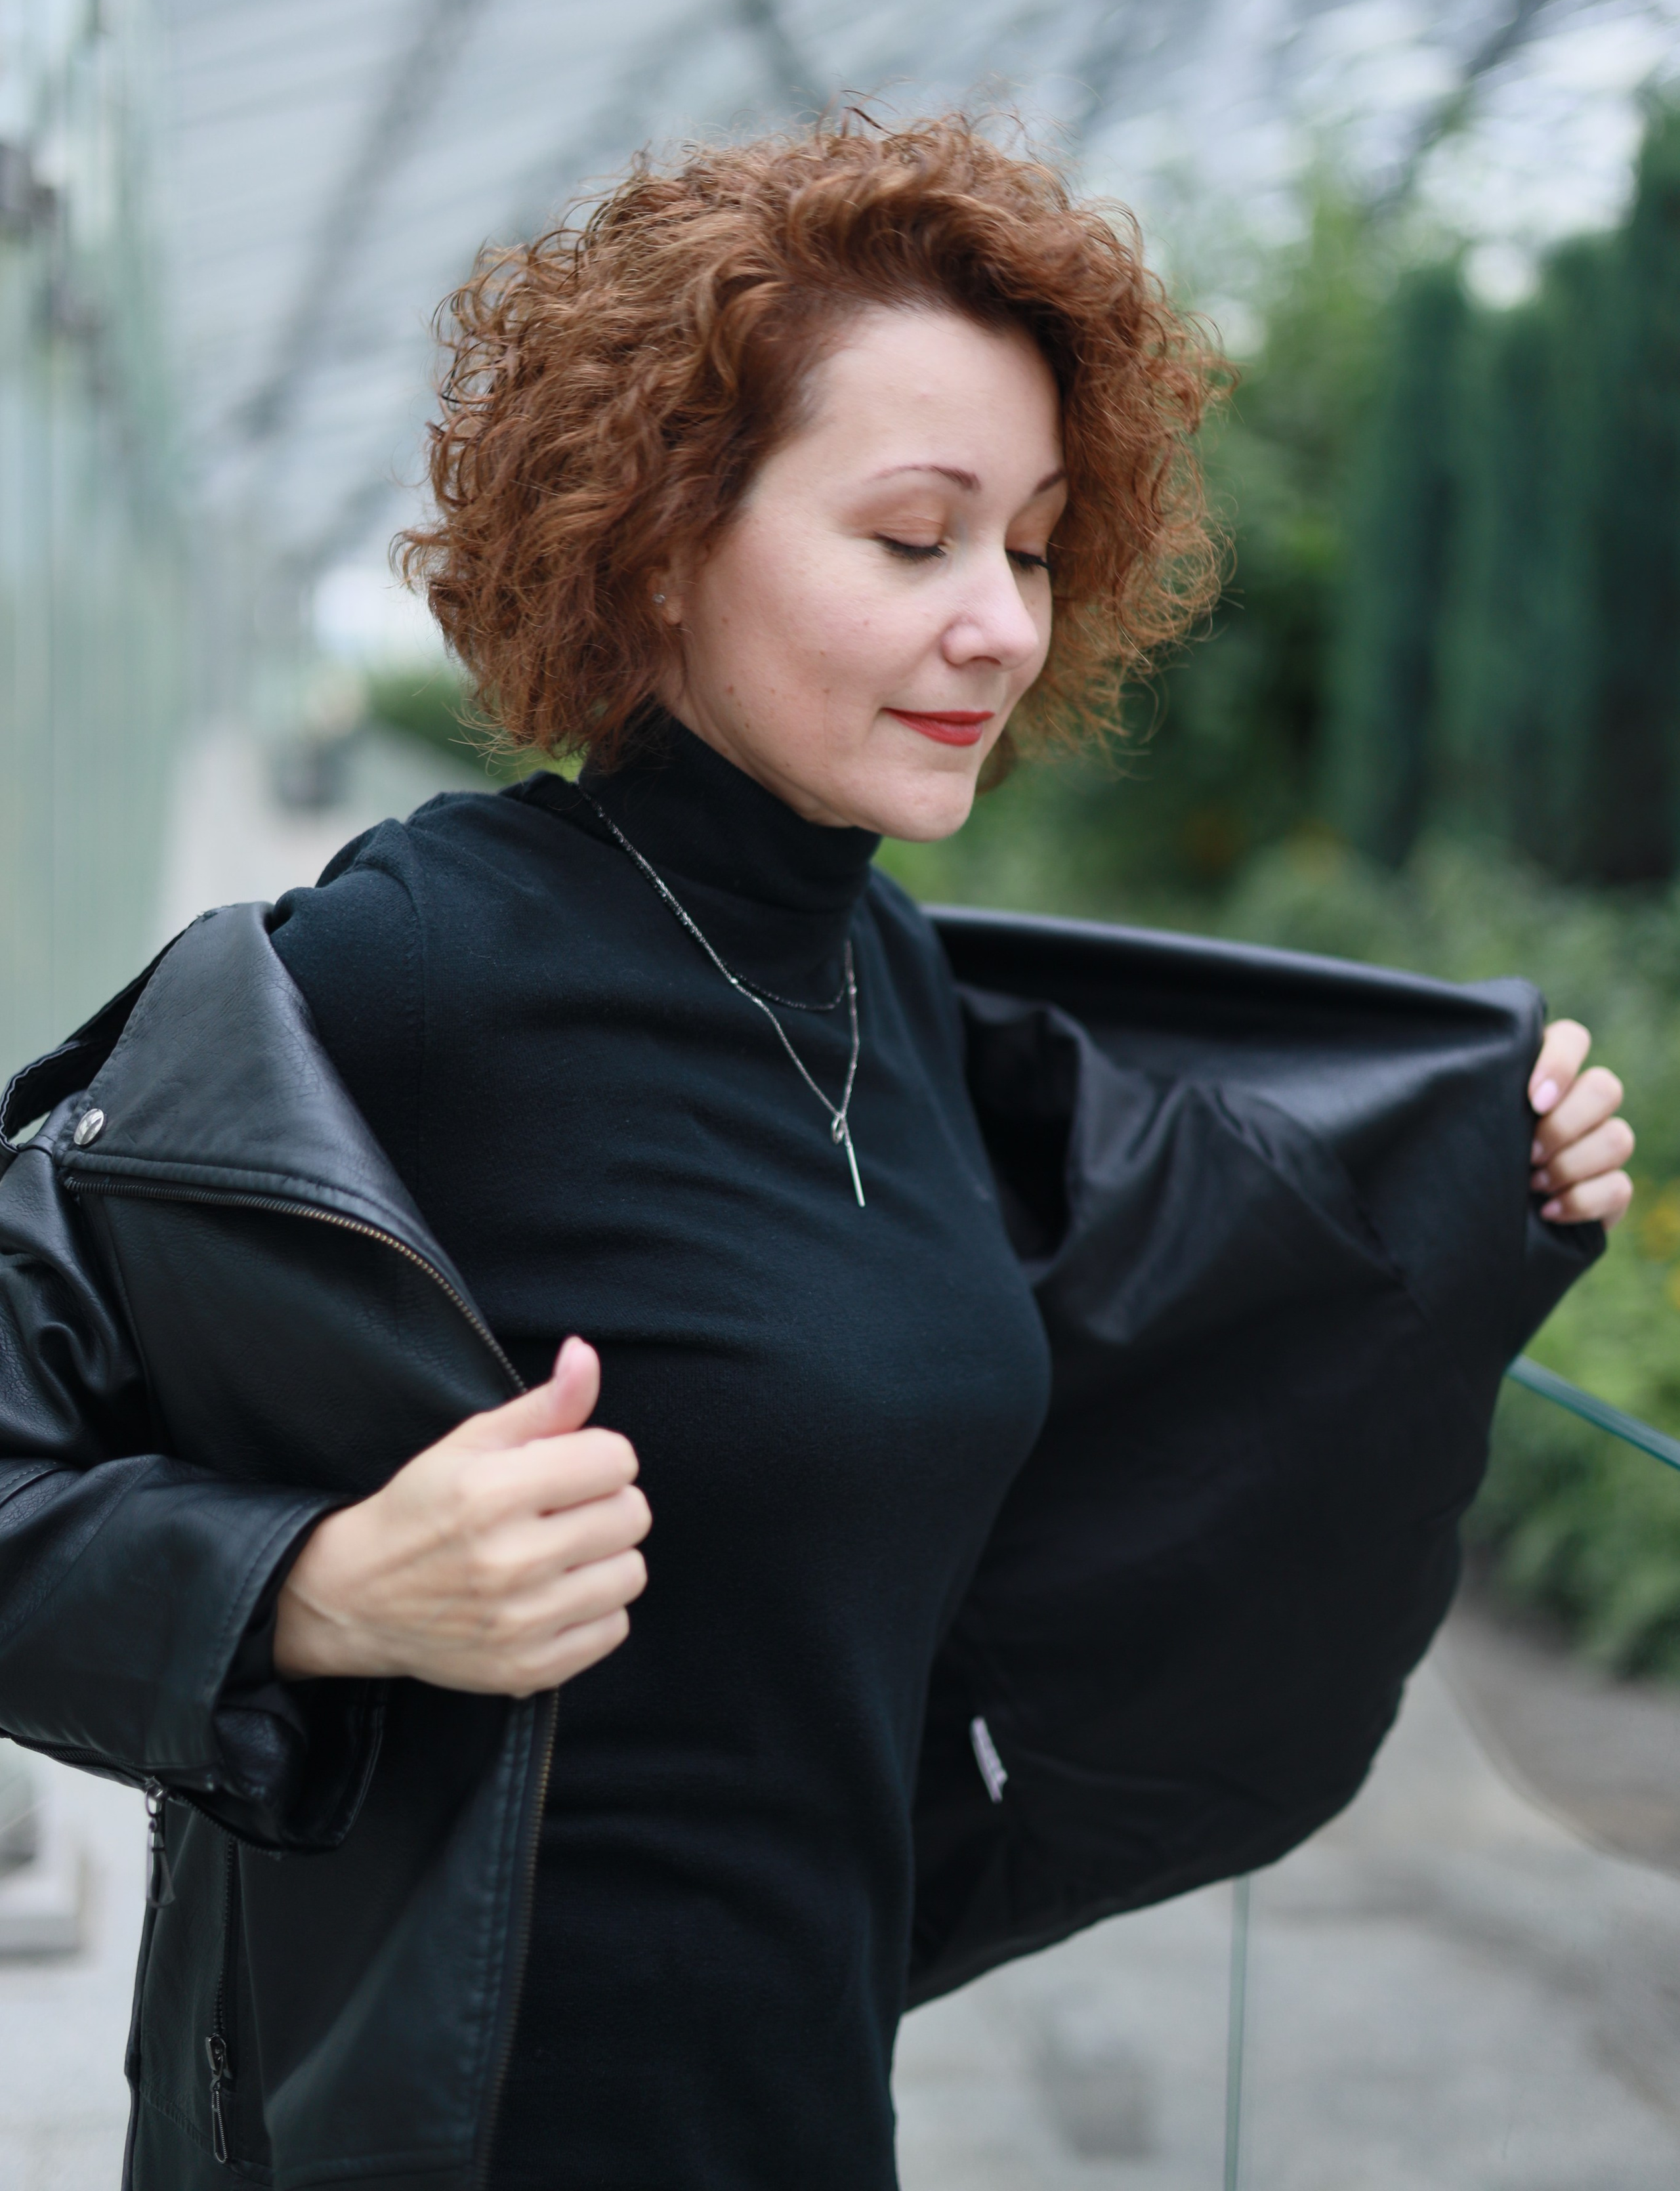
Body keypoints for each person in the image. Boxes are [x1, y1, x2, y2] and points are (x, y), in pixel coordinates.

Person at [0, 118, 1633, 2191]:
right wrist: (318, 1588)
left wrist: (1484, 1186)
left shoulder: (888, 974)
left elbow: (1169, 1306)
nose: (1002, 628)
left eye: (1031, 546)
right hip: (454, 2130)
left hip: (801, 2110)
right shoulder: (412, 968)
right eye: (912, 538)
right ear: (664, 536)